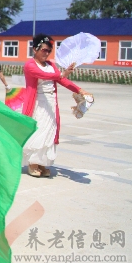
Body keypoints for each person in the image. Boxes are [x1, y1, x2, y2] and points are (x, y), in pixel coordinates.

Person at [22, 33, 92, 178]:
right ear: (35, 49)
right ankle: (33, 163)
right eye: (44, 50)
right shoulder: (29, 65)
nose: (46, 53)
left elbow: (62, 81)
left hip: (51, 104)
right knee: (38, 132)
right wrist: (61, 74)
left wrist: (79, 90)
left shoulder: (51, 65)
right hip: (37, 104)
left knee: (50, 133)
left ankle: (42, 163)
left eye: (49, 51)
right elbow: (45, 75)